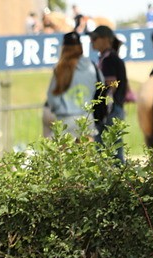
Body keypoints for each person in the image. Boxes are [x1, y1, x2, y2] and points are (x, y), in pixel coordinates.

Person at [45, 31, 100, 138]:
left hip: (66, 120)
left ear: (64, 47)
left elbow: (52, 98)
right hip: (87, 120)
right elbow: (100, 89)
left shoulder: (60, 69)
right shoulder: (92, 66)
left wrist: (60, 110)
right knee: (86, 154)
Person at [90, 24, 127, 163]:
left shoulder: (109, 59)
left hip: (110, 111)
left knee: (111, 152)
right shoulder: (107, 57)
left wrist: (104, 109)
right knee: (111, 150)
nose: (92, 41)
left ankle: (119, 183)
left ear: (105, 39)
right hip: (111, 110)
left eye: (95, 38)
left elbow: (112, 85)